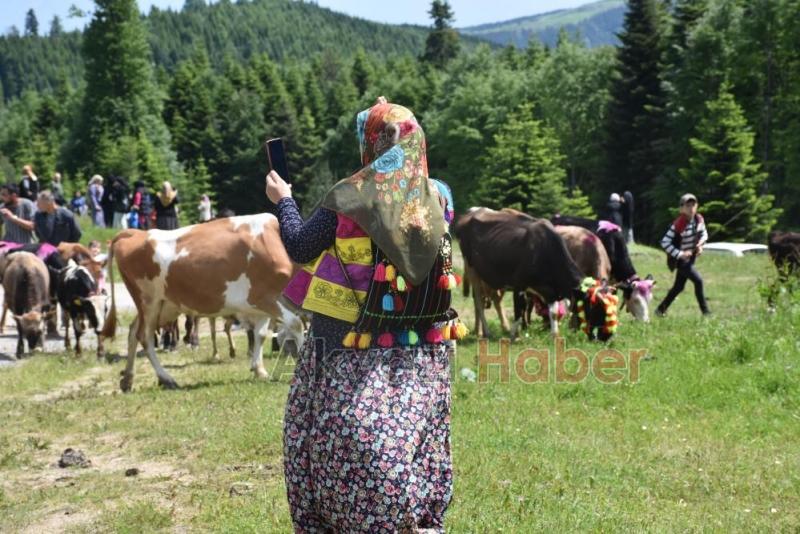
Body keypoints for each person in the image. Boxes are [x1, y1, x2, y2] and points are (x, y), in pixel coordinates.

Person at [271, 98, 459, 532]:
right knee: (415, 439)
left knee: (338, 443)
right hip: (420, 352)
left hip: (347, 345)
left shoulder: (350, 195)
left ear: (370, 143)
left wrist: (284, 200)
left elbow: (299, 246)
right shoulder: (438, 196)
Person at [656, 193, 710, 316]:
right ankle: (706, 312)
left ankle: (660, 310)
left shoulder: (698, 220)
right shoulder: (677, 225)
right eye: (687, 205)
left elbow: (704, 234)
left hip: (691, 259)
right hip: (681, 261)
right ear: (681, 209)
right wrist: (680, 253)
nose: (691, 208)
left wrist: (700, 245)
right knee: (698, 281)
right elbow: (664, 242)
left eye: (693, 205)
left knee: (678, 287)